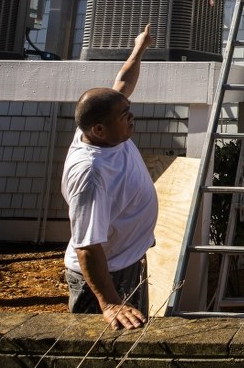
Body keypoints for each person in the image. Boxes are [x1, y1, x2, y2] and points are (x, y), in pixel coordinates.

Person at [61, 24, 157, 330]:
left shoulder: (102, 131)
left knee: (136, 340)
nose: (131, 117)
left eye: (129, 110)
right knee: (104, 344)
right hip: (106, 276)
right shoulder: (91, 173)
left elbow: (123, 82)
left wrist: (139, 48)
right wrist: (109, 302)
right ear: (99, 130)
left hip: (125, 262)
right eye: (124, 116)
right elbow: (87, 246)